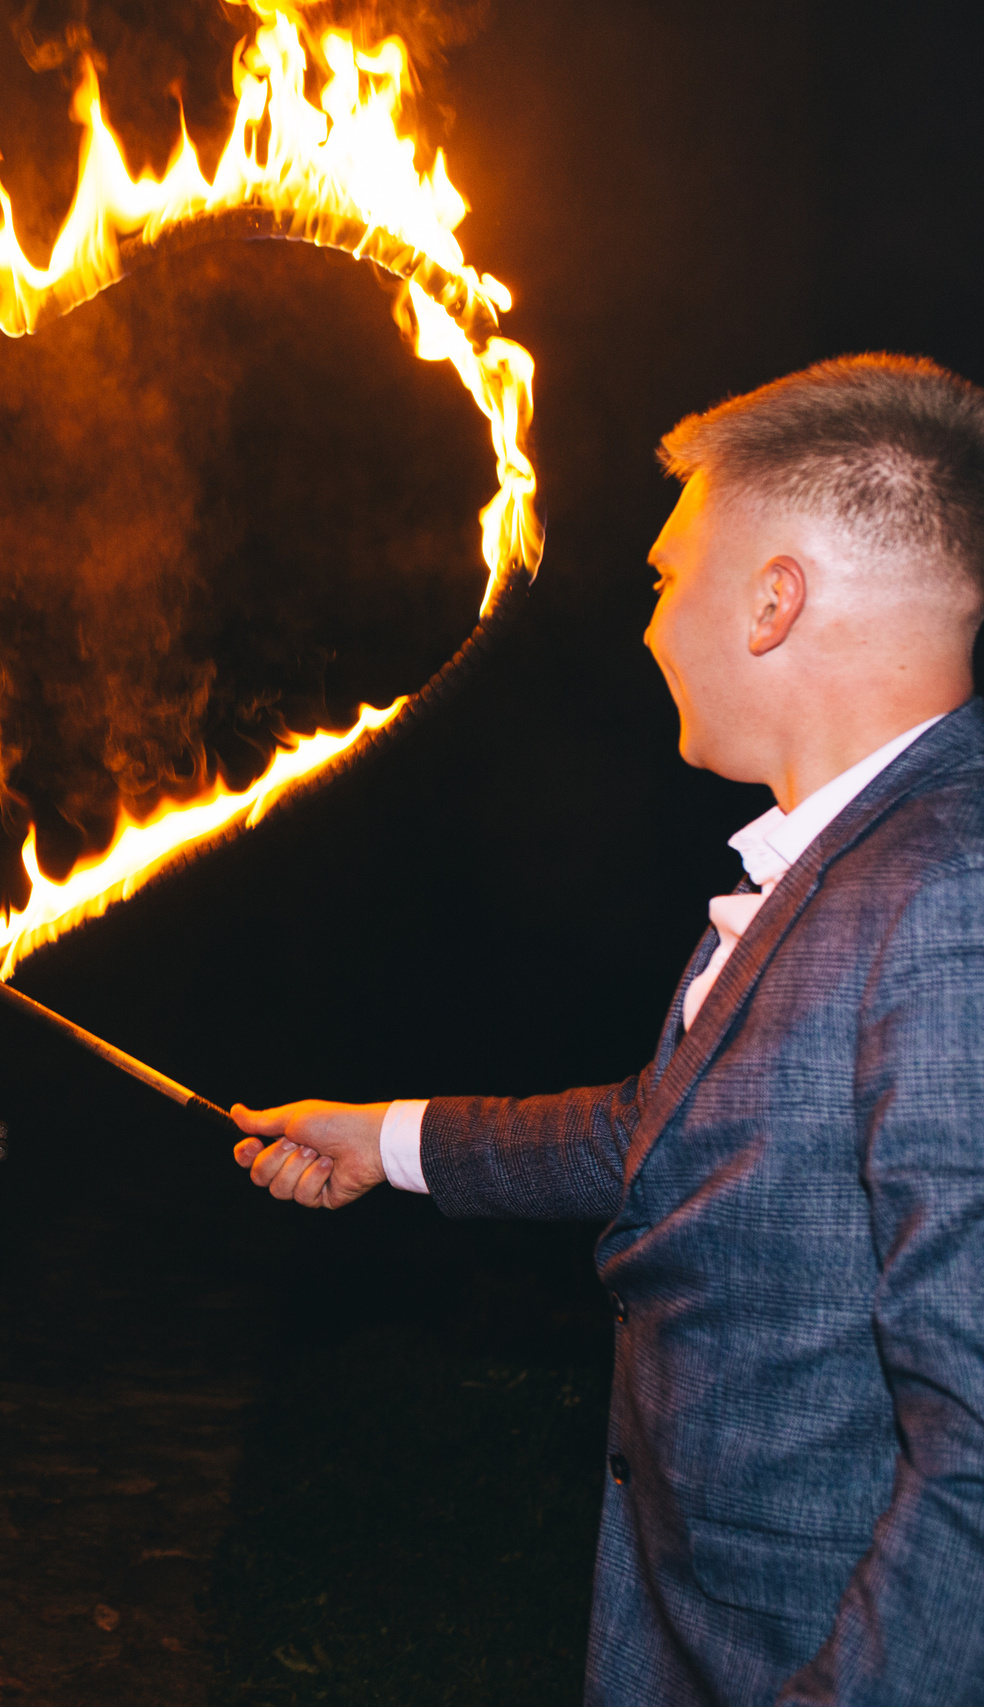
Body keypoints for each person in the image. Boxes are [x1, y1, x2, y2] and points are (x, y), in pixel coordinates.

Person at [230, 354, 984, 1704]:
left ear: (775, 600)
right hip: (698, 1621)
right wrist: (386, 1140)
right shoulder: (841, 863)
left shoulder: (951, 890)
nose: (650, 626)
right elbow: (672, 1133)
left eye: (666, 578)